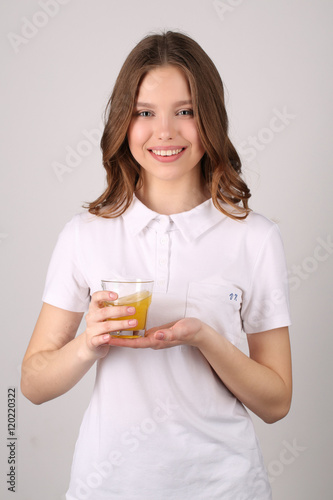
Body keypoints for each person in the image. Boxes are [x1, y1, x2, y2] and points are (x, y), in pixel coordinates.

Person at [21, 31, 292, 500]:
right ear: (124, 123)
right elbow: (33, 384)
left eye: (185, 111)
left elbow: (276, 402)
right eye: (145, 112)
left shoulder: (256, 238)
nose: (164, 131)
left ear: (210, 119)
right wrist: (89, 343)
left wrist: (205, 338)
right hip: (108, 487)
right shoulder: (85, 234)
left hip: (225, 488)